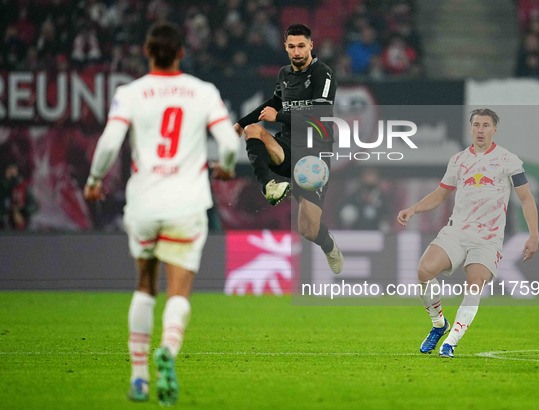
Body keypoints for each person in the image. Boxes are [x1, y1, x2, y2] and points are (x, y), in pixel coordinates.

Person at [84, 22, 238, 405]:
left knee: (145, 286)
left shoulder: (131, 93)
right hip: (187, 203)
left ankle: (138, 377)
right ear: (181, 53)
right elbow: (230, 143)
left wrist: (94, 179)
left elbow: (109, 142)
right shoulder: (203, 92)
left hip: (144, 202)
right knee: (179, 289)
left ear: (147, 52)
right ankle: (167, 349)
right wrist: (228, 166)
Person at [397, 108, 539, 358]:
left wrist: (533, 235)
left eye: (486, 125)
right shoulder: (459, 160)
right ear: (470, 128)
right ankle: (439, 325)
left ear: (495, 129)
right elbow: (440, 194)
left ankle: (450, 342)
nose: (481, 129)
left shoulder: (509, 160)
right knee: (423, 271)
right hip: (457, 231)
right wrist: (413, 209)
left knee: (475, 284)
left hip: (488, 238)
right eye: (476, 125)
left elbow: (526, 198)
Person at [233, 24, 344, 274]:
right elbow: (274, 101)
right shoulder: (284, 74)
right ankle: (269, 186)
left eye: (301, 46)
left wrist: (280, 115)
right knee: (253, 130)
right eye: (292, 46)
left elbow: (321, 114)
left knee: (308, 230)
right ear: (285, 47)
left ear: (311, 46)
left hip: (315, 156)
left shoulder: (323, 74)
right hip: (286, 147)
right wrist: (241, 123)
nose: (296, 51)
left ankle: (329, 246)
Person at [0, 163, 38, 230]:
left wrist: (23, 208)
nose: (11, 173)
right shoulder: (2, 186)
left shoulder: (24, 186)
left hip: (22, 223)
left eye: (13, 170)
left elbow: (34, 206)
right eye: (9, 170)